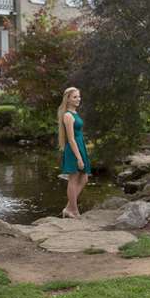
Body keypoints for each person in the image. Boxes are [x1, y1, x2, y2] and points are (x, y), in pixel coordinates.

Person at [57, 87, 90, 218]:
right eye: (75, 97)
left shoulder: (74, 113)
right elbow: (70, 139)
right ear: (68, 99)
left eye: (79, 96)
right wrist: (79, 158)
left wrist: (83, 151)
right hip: (73, 149)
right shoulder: (68, 115)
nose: (78, 99)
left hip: (80, 146)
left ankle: (69, 207)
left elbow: (78, 135)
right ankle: (74, 210)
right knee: (74, 179)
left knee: (84, 178)